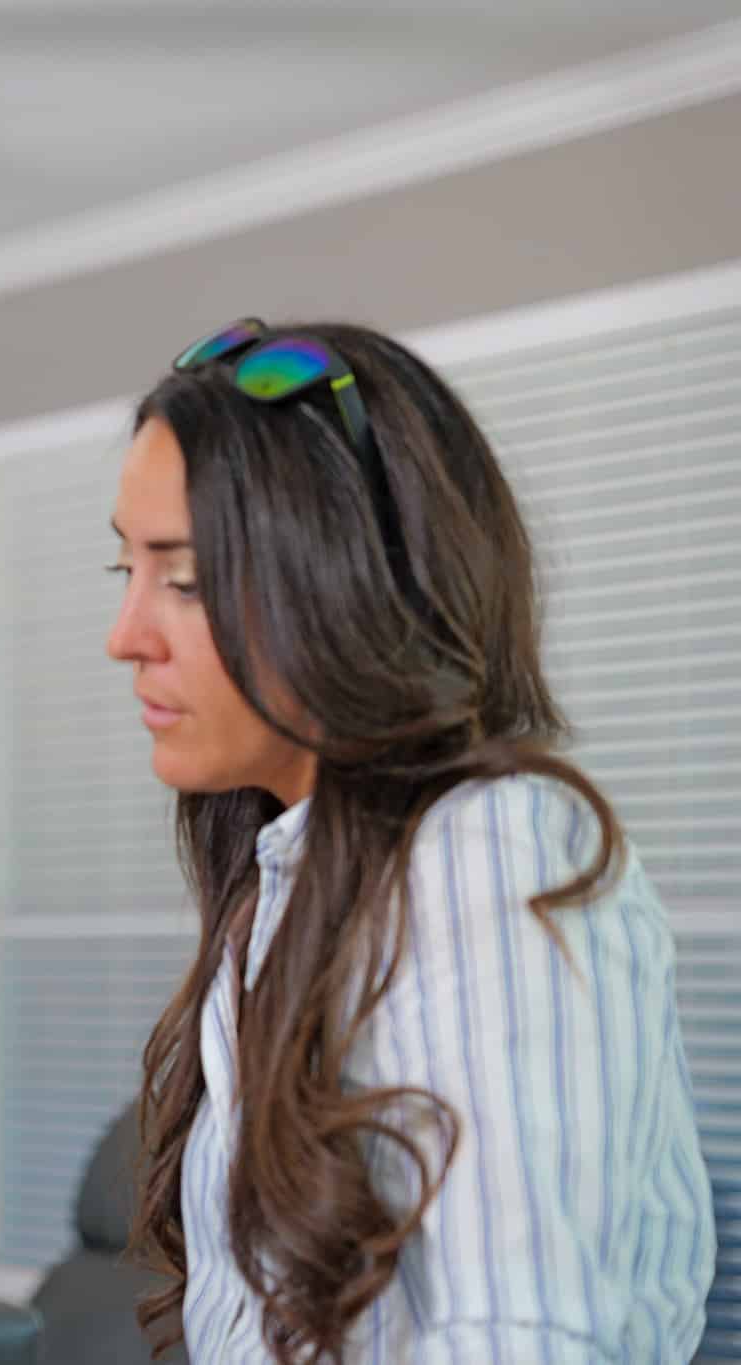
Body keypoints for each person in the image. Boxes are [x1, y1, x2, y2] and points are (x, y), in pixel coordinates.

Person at [104, 318, 713, 1362]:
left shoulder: (489, 853)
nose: (125, 636)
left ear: (348, 580)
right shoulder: (284, 878)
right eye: (123, 569)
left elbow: (519, 1339)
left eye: (186, 579)